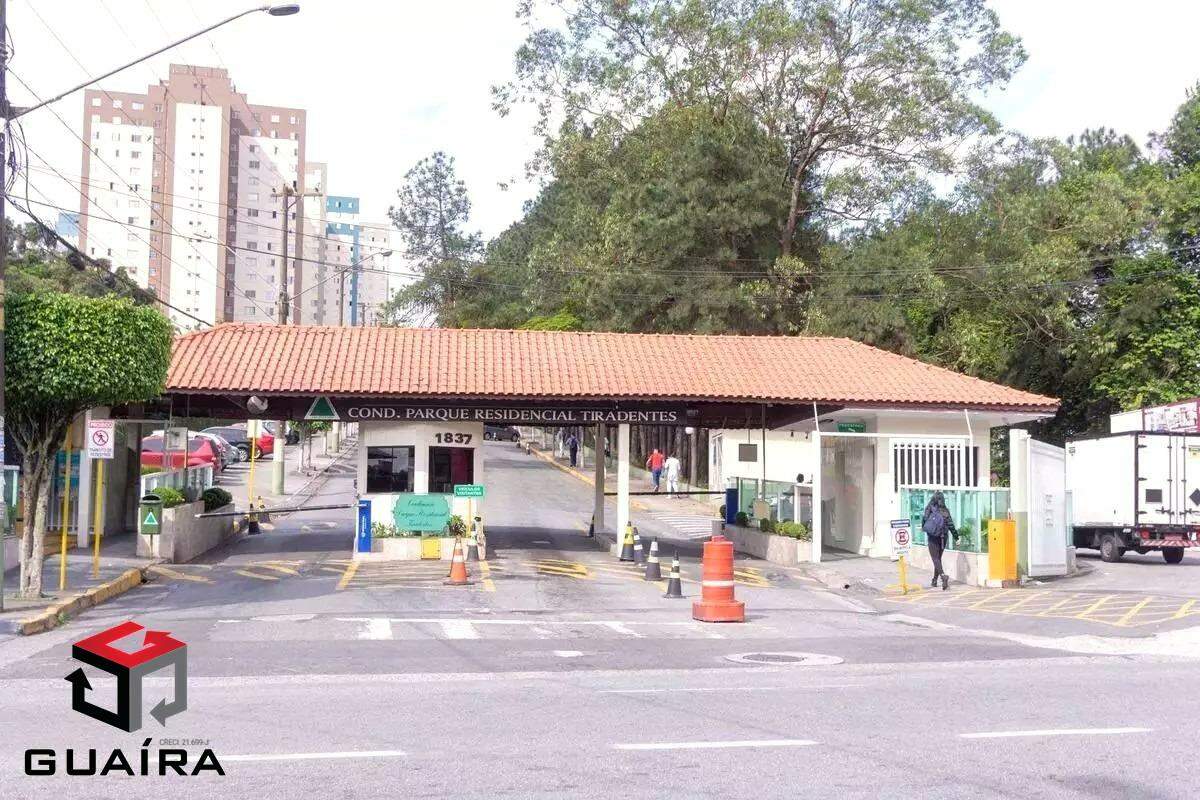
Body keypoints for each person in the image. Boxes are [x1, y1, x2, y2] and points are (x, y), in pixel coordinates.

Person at [921, 491, 956, 590]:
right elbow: (951, 525)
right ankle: (934, 580)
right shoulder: (945, 510)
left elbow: (924, 518)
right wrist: (956, 537)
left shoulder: (929, 508)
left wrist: (923, 527)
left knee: (935, 558)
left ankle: (943, 576)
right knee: (938, 558)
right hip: (943, 537)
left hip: (933, 536)